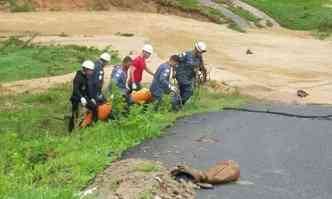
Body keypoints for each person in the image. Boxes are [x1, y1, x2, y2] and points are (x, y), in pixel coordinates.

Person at [174, 41, 207, 107]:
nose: (201, 54)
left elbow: (202, 67)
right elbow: (175, 59)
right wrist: (173, 71)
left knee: (186, 92)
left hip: (190, 77)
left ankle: (178, 105)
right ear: (196, 49)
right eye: (200, 52)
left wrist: (204, 78)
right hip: (181, 75)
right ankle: (176, 105)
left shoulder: (199, 57)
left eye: (202, 52)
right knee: (188, 90)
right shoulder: (186, 54)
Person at [68, 60, 98, 132]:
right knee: (75, 115)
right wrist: (81, 98)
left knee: (94, 107)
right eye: (91, 70)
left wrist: (91, 98)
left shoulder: (86, 76)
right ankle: (70, 131)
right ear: (86, 69)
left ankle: (89, 124)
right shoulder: (78, 77)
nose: (92, 72)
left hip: (84, 98)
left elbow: (87, 89)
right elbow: (75, 89)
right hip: (76, 99)